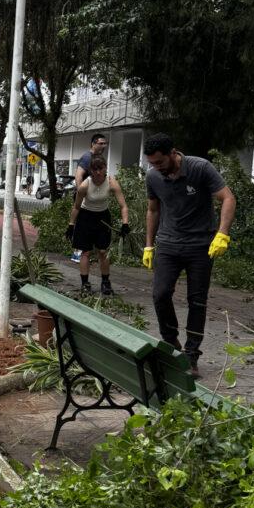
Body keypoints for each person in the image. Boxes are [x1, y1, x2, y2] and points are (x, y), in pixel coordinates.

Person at [143, 133, 236, 378]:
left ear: (173, 153)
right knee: (160, 294)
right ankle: (171, 343)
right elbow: (153, 209)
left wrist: (222, 233)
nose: (157, 168)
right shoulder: (153, 176)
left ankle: (192, 355)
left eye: (160, 162)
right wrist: (148, 245)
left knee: (197, 301)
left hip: (200, 246)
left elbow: (227, 197)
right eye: (152, 164)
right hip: (168, 245)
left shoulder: (200, 168)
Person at [66, 155, 129, 296]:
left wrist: (125, 223)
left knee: (103, 251)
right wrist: (71, 225)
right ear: (91, 170)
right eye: (95, 169)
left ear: (105, 168)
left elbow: (123, 205)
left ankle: (106, 283)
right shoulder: (84, 185)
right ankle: (85, 284)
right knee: (86, 252)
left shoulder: (112, 182)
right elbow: (76, 207)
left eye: (101, 168)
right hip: (85, 217)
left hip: (102, 218)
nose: (98, 172)